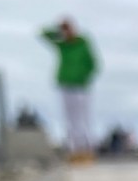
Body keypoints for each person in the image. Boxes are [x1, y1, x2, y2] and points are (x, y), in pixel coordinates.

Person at [39, 18, 98, 163]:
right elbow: (43, 34)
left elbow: (93, 64)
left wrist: (83, 77)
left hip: (81, 87)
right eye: (64, 29)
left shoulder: (83, 43)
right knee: (70, 119)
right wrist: (58, 31)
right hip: (65, 85)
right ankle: (73, 151)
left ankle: (86, 150)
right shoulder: (62, 45)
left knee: (83, 118)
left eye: (68, 28)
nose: (67, 31)